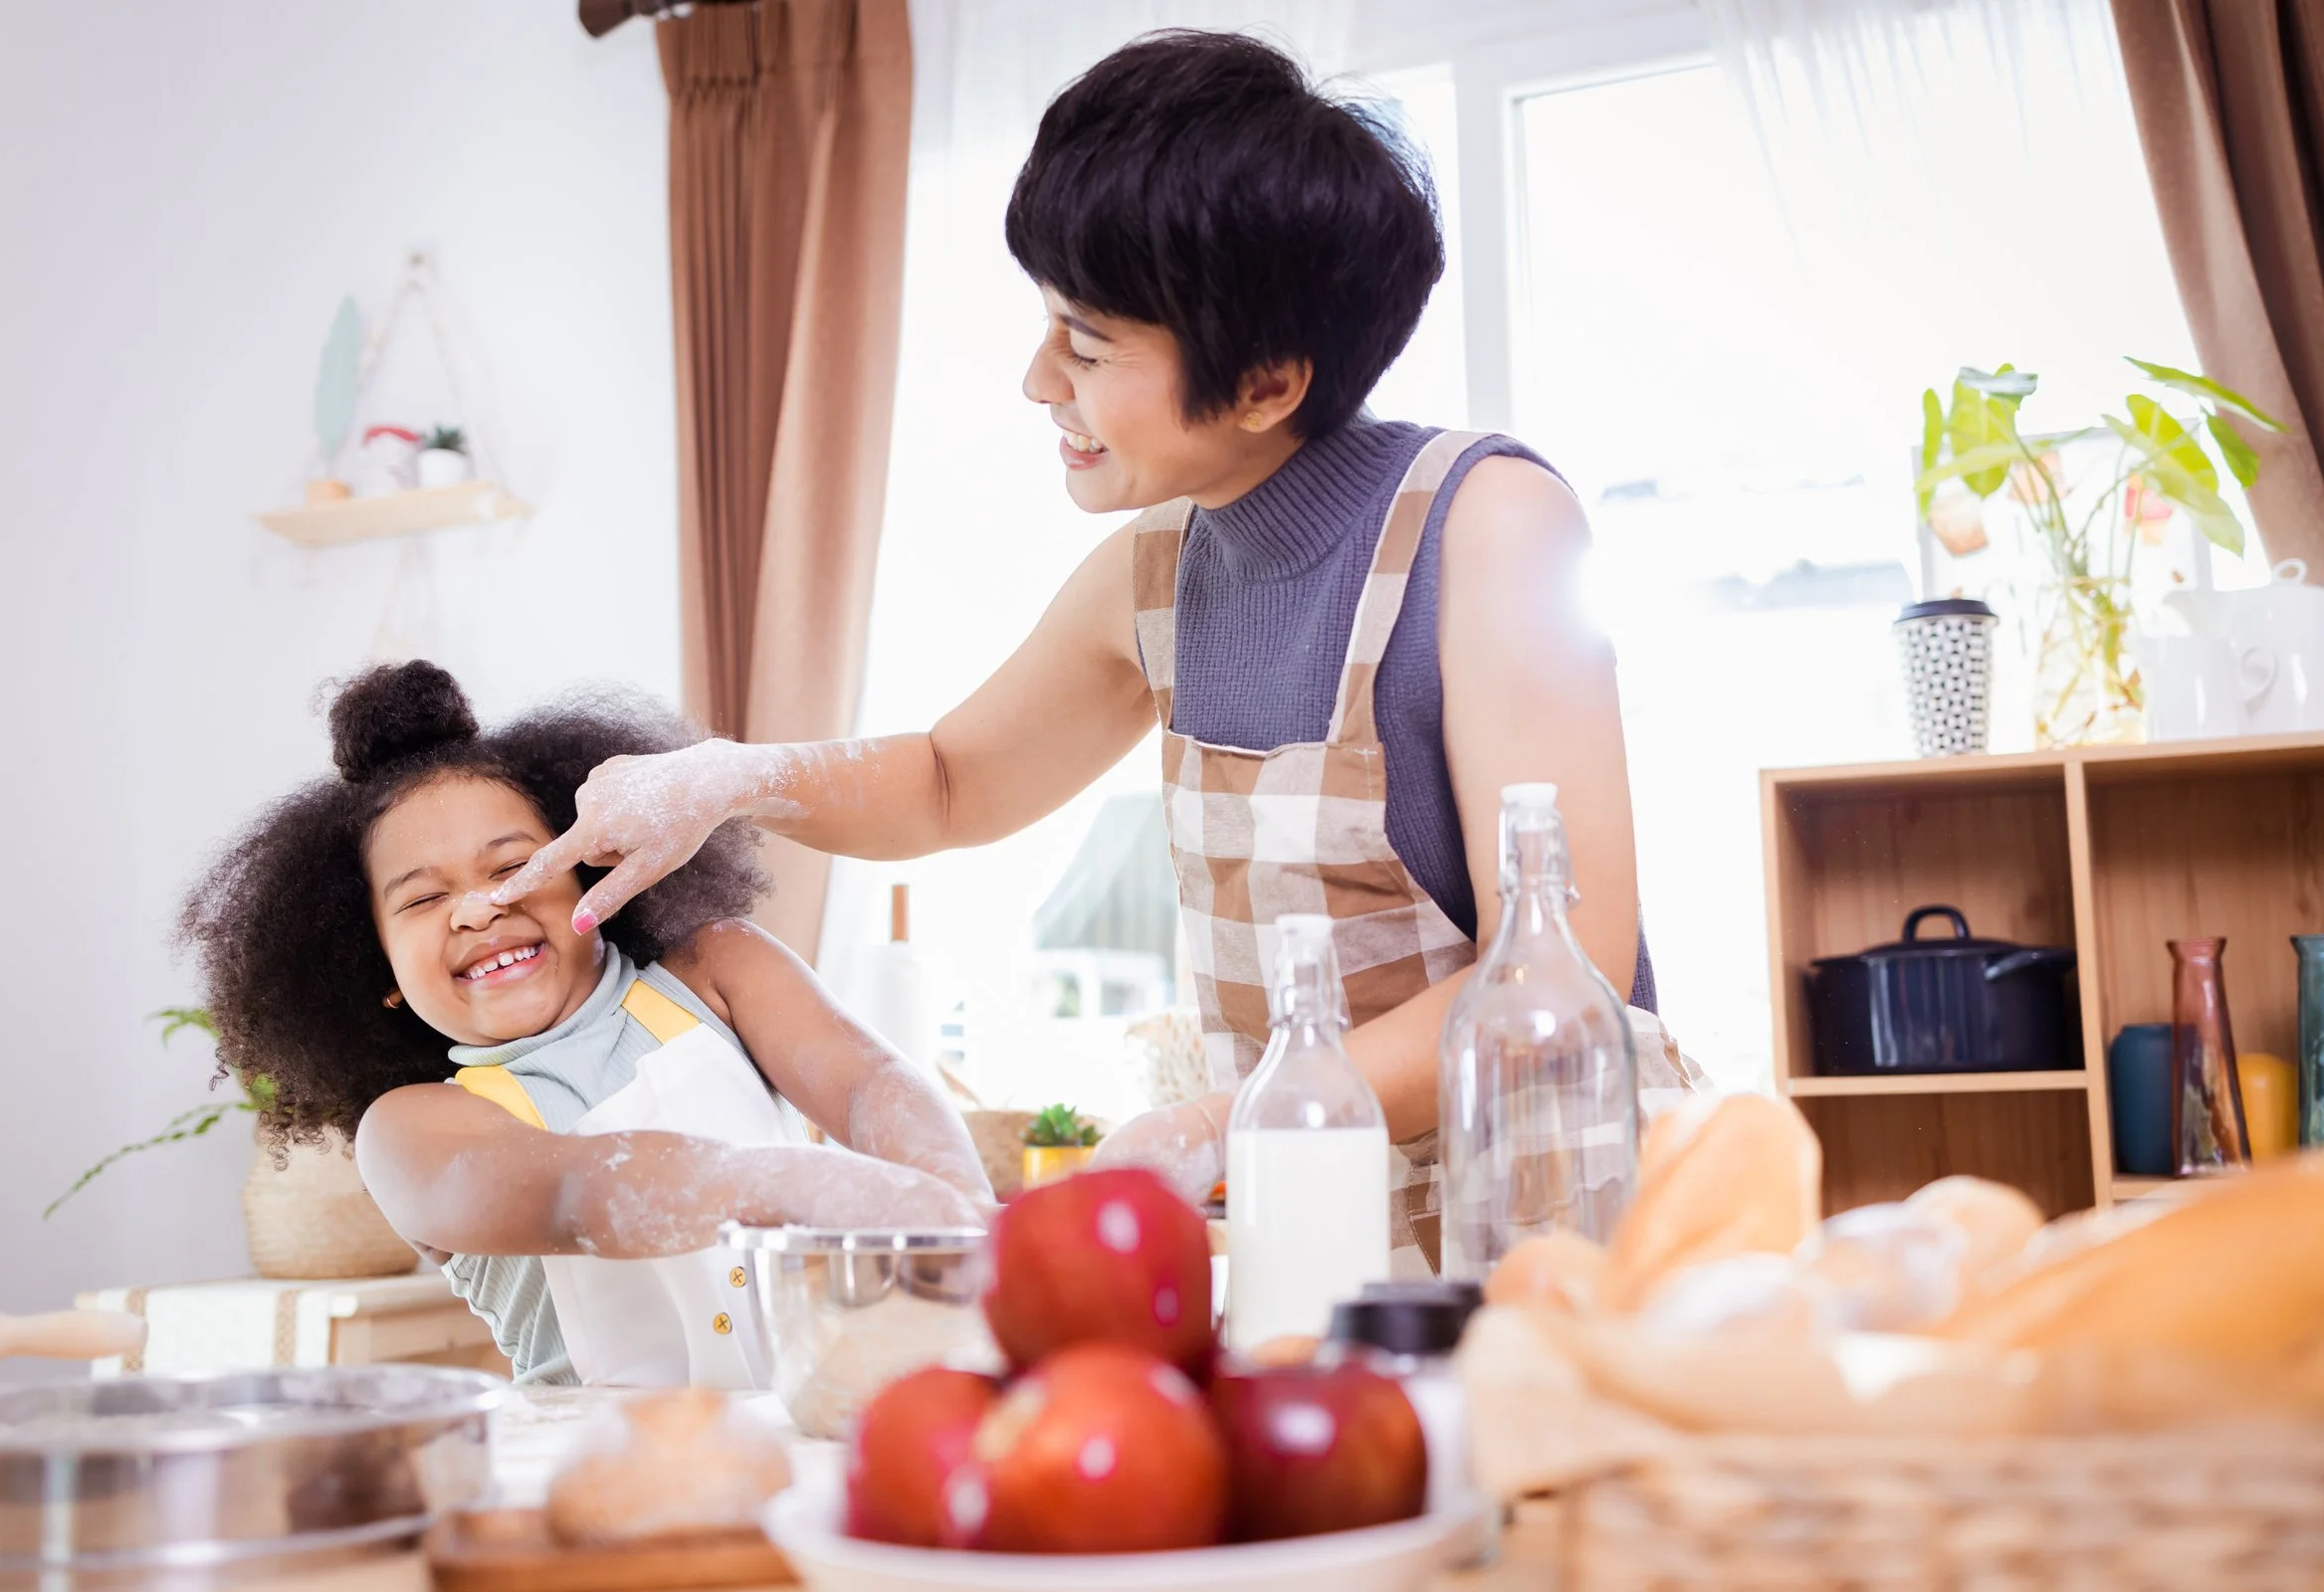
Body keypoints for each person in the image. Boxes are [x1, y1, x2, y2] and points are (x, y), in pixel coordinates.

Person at [497, 31, 1653, 1271]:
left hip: (1538, 1225)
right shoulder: (1157, 570)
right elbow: (952, 779)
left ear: (1266, 381)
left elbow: (1568, 966)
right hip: (1316, 1226)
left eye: (1087, 346)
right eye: (1049, 326)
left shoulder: (1491, 531)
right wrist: (728, 776)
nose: (1037, 379)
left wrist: (1221, 1119)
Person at [178, 661, 988, 1385]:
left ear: (597, 868)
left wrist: (961, 1213)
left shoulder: (718, 970)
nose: (480, 907)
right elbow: (583, 1190)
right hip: (610, 1473)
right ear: (376, 971)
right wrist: (798, 1187)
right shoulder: (412, 1129)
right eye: (423, 899)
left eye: (513, 865)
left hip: (814, 1414)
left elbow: (867, 1085)